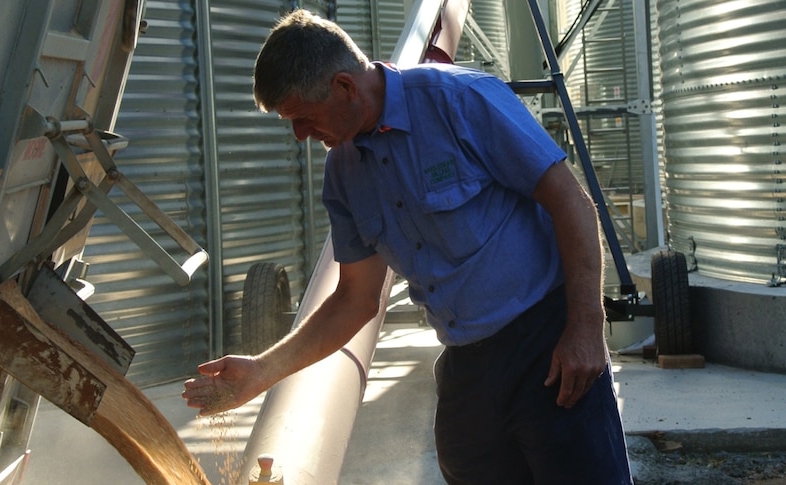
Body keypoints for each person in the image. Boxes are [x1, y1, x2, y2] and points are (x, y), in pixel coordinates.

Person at [184, 9, 633, 484]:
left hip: (546, 345)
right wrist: (261, 371)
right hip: (468, 365)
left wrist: (585, 328)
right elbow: (355, 301)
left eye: (303, 117)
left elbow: (572, 205)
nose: (299, 135)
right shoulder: (344, 175)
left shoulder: (460, 100)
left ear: (344, 87)